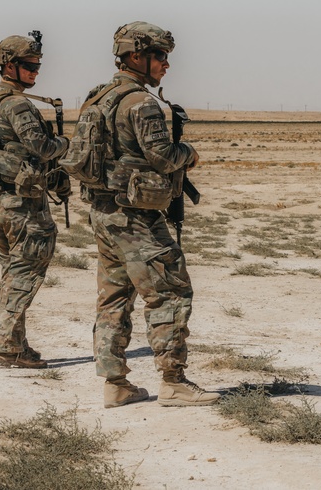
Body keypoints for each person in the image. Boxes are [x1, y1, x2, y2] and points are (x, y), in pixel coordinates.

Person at [74, 21, 218, 409]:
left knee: (113, 298)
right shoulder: (141, 102)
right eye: (160, 57)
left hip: (104, 212)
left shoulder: (97, 98)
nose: (166, 65)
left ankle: (115, 383)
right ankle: (173, 382)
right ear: (136, 56)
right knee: (169, 292)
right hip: (136, 217)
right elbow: (163, 157)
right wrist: (189, 153)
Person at [0, 33, 69, 369]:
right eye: (29, 65)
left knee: (13, 275)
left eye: (37, 65)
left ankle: (17, 344)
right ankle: (8, 349)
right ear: (9, 66)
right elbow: (42, 148)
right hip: (23, 206)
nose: (35, 71)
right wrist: (64, 143)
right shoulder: (17, 105)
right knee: (25, 275)